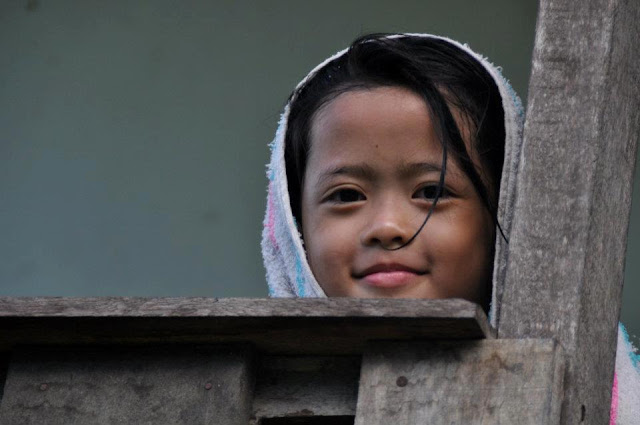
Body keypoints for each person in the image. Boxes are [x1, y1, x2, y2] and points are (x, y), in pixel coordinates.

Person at [261, 33, 639, 423]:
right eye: (346, 196)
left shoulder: (591, 401)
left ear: (504, 212)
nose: (387, 227)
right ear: (294, 227)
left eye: (432, 190)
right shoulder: (249, 400)